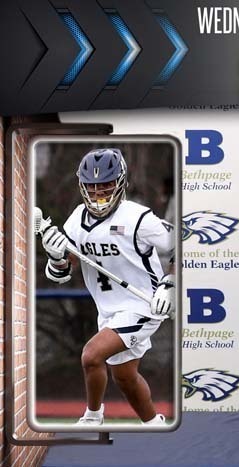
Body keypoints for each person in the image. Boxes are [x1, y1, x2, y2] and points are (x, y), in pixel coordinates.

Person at [41, 148, 175, 426]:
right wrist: (56, 257)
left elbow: (182, 244)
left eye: (106, 184)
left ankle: (92, 417)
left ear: (121, 182)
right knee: (125, 377)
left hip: (144, 305)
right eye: (92, 186)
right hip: (109, 310)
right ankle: (153, 424)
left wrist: (170, 283)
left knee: (91, 355)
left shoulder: (138, 217)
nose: (99, 191)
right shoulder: (77, 219)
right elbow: (65, 271)